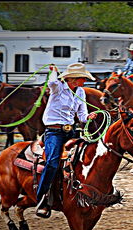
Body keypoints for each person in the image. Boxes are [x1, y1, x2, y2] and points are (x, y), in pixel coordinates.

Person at [35, 63, 97, 218]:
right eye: (82, 78)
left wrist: (88, 117)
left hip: (71, 130)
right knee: (52, 162)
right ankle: (42, 197)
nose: (84, 81)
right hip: (54, 132)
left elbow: (82, 115)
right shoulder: (58, 88)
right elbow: (52, 83)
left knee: (89, 154)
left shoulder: (80, 91)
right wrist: (54, 72)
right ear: (73, 80)